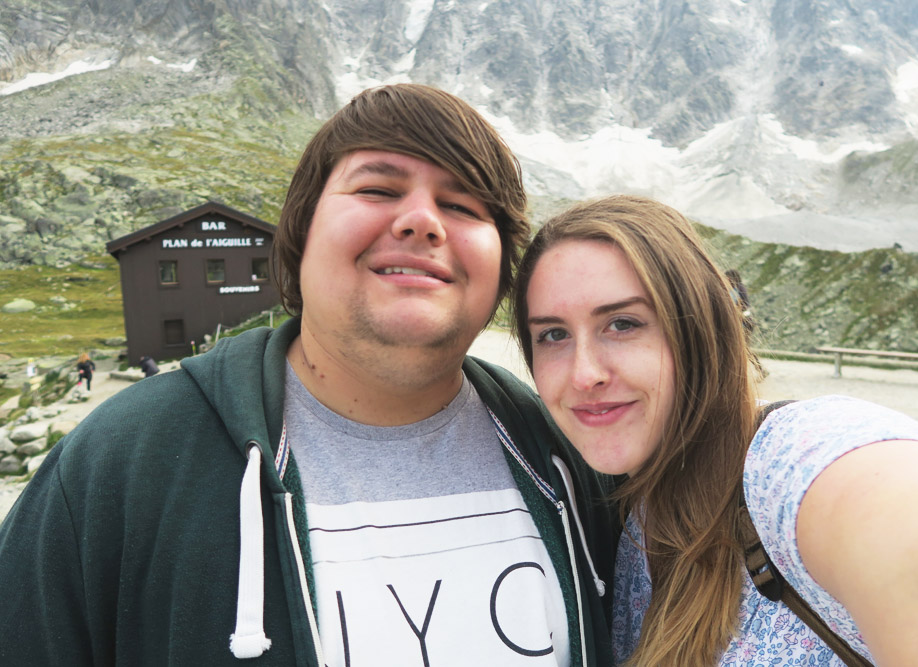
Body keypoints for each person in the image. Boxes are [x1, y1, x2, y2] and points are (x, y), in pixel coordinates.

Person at [0, 85, 617, 666]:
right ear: (301, 234)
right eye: (377, 190)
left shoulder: (575, 457)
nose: (423, 221)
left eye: (460, 205)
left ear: (504, 266)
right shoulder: (124, 463)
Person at [512, 194, 918, 666]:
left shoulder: (789, 459)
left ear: (701, 330)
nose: (583, 374)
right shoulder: (634, 511)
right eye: (552, 334)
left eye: (622, 323)